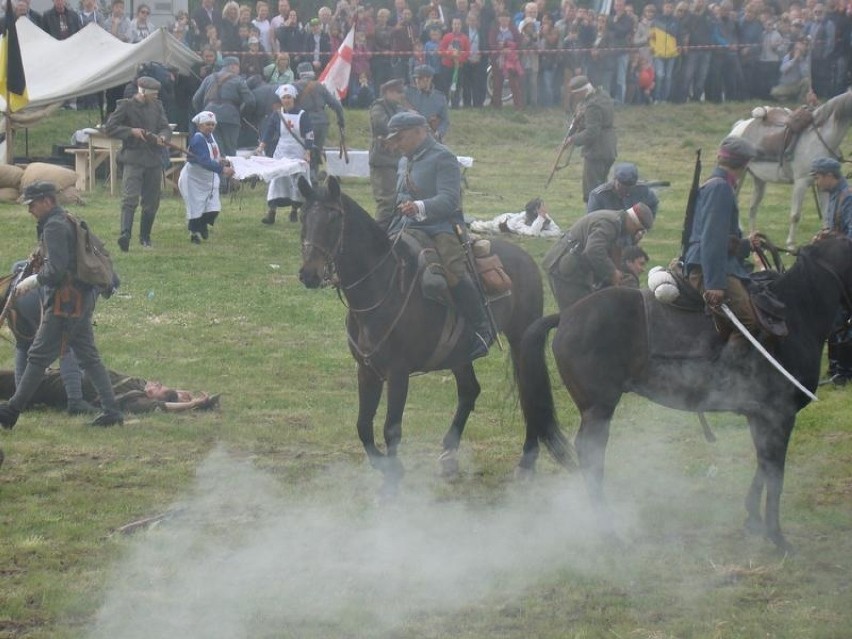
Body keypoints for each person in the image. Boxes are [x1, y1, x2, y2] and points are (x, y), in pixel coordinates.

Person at [0, 182, 124, 430]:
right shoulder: (64, 219)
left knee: (37, 357)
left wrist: (33, 281)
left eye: (33, 204)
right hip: (77, 300)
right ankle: (112, 411)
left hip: (65, 303)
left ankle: (11, 411)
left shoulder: (55, 226)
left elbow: (56, 271)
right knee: (89, 357)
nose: (30, 210)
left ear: (47, 201)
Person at [385, 112, 492, 359]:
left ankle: (482, 328)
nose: (397, 144)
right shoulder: (404, 161)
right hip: (403, 225)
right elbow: (399, 197)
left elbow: (449, 199)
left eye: (401, 138)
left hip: (439, 227)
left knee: (453, 270)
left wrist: (419, 207)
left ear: (419, 132)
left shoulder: (443, 157)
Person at [683, 136, 759, 347]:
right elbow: (711, 238)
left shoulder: (716, 185)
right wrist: (715, 284)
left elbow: (720, 238)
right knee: (748, 323)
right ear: (745, 164)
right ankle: (726, 377)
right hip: (709, 269)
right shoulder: (721, 188)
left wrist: (745, 245)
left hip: (710, 262)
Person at [1, 269, 97, 415]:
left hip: (16, 296)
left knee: (23, 345)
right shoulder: (88, 282)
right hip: (37, 296)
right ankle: (75, 401)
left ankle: (23, 402)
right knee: (67, 346)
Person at [542, 203, 654, 312]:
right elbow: (594, 250)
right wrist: (612, 272)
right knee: (576, 315)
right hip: (564, 269)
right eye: (638, 230)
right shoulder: (610, 223)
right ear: (633, 223)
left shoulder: (617, 222)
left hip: (576, 270)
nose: (637, 234)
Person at [104, 76, 171, 251]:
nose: (156, 96)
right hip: (133, 158)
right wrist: (130, 131)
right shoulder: (125, 105)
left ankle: (145, 237)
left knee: (151, 201)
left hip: (153, 159)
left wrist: (163, 136)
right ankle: (125, 234)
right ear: (143, 92)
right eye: (153, 94)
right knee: (129, 198)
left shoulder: (157, 106)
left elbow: (165, 126)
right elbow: (110, 128)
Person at [0, 368, 220, 414]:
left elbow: (163, 405)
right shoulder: (140, 386)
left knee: (11, 382)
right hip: (65, 374)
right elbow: (166, 398)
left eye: (158, 387)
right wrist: (183, 394)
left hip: (57, 385)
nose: (153, 382)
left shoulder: (136, 400)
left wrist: (192, 405)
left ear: (152, 396)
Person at [810, 156, 852, 384]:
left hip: (847, 269)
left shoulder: (849, 198)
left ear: (829, 175)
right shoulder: (835, 196)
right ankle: (837, 368)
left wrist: (831, 239)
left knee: (841, 318)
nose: (816, 182)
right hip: (838, 267)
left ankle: (843, 371)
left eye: (817, 177)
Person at [256, 83, 314, 225]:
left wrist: (307, 152)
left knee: (298, 181)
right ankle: (272, 212)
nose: (286, 100)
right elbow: (269, 131)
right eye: (284, 98)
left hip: (298, 153)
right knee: (277, 180)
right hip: (282, 152)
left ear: (293, 98)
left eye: (289, 97)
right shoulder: (277, 115)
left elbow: (309, 134)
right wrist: (261, 146)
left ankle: (294, 210)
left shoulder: (302, 115)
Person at [178, 111, 236, 244]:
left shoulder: (211, 137)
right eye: (207, 124)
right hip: (194, 180)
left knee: (213, 209)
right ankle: (194, 234)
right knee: (195, 208)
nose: (210, 127)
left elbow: (212, 157)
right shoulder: (198, 139)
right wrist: (222, 169)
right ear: (200, 126)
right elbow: (203, 161)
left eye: (212, 124)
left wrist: (220, 160)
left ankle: (202, 225)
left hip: (208, 179)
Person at [565, 75, 617, 202]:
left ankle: (594, 217)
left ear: (583, 91)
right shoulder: (602, 96)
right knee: (602, 188)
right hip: (608, 148)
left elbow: (591, 132)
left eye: (576, 94)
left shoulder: (592, 105)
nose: (575, 97)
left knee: (592, 192)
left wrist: (573, 139)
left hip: (597, 151)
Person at [192, 56, 256, 159]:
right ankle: (229, 173)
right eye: (238, 67)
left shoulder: (209, 78)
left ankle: (218, 173)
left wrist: (204, 114)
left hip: (209, 117)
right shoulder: (238, 80)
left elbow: (195, 99)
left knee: (215, 150)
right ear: (232, 66)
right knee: (230, 152)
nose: (239, 70)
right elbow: (250, 101)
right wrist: (241, 114)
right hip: (230, 118)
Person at [293, 61, 346, 179]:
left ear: (299, 74)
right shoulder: (320, 86)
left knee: (304, 151)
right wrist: (341, 121)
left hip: (304, 122)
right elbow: (336, 105)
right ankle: (314, 177)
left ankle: (305, 178)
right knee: (316, 152)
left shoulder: (295, 86)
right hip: (322, 123)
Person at [369, 78, 408, 221]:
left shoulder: (398, 108)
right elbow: (383, 125)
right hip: (382, 160)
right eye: (398, 92)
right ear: (388, 92)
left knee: (399, 200)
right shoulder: (378, 107)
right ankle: (380, 232)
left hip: (397, 159)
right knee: (386, 202)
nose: (400, 96)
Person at [587, 162, 659, 218]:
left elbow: (652, 204)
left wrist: (644, 225)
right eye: (621, 188)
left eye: (629, 189)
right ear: (614, 180)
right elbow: (592, 219)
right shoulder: (598, 195)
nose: (625, 192)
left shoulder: (642, 190)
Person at [470, 197, 563, 237]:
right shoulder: (519, 221)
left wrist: (542, 234)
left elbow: (557, 231)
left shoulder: (543, 216)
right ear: (536, 210)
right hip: (503, 222)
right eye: (542, 207)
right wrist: (540, 219)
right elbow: (532, 234)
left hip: (512, 217)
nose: (545, 209)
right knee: (481, 227)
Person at [405, 65, 450, 142]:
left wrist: (439, 132)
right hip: (410, 134)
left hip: (430, 137)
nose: (417, 81)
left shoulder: (439, 98)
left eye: (420, 78)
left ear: (429, 79)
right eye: (415, 78)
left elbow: (445, 120)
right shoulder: (408, 93)